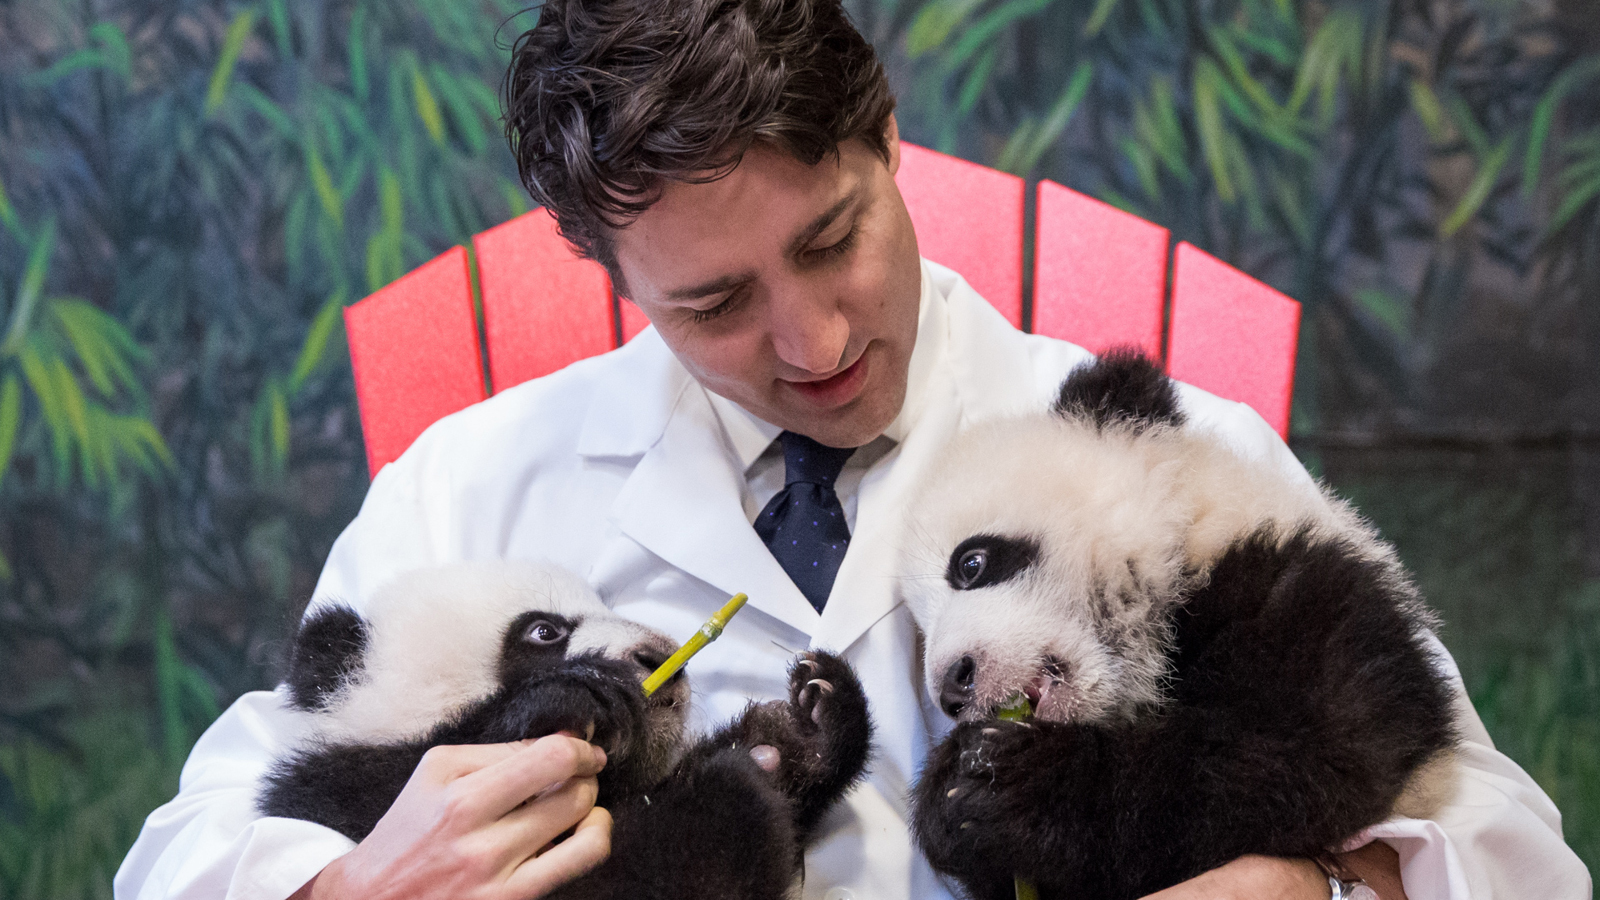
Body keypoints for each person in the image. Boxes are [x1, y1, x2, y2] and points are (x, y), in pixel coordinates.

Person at [116, 1, 1591, 899]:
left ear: (886, 139)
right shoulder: (470, 485)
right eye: (713, 301)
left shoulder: (1142, 453)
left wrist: (1326, 890)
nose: (815, 340)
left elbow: (1514, 849)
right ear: (609, 273)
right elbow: (187, 848)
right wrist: (356, 890)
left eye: (834, 240)